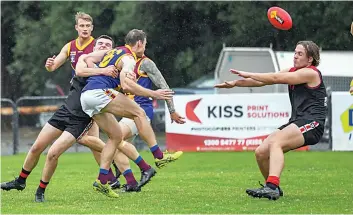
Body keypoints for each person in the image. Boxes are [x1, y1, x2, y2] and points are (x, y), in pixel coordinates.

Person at [0, 35, 121, 202]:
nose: (102, 46)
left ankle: (40, 192)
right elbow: (79, 71)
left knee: (53, 153)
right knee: (36, 147)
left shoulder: (112, 70)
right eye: (100, 43)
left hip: (80, 120)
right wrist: (51, 66)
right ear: (94, 47)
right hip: (64, 111)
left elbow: (116, 90)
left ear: (112, 51)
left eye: (107, 45)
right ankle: (20, 181)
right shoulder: (84, 60)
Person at [215, 41, 327, 200]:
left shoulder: (311, 73)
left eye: (300, 54)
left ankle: (272, 186)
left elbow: (275, 78)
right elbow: (264, 80)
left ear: (310, 59)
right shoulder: (292, 71)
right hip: (297, 121)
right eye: (295, 52)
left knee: (277, 142)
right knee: (260, 153)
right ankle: (273, 187)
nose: (295, 56)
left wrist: (248, 73)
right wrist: (236, 83)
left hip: (313, 123)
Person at [78, 29, 178, 198]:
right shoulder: (129, 58)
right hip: (100, 92)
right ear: (139, 43)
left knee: (116, 137)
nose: (144, 48)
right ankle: (158, 156)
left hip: (86, 97)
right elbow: (126, 86)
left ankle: (103, 180)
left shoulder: (114, 51)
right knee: (138, 112)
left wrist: (100, 69)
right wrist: (154, 94)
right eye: (145, 44)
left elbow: (87, 58)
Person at [108, 54, 186, 188]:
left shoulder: (145, 63)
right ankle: (131, 183)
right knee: (117, 147)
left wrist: (172, 111)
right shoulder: (121, 63)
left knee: (114, 139)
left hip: (140, 111)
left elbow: (164, 86)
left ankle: (147, 166)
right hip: (128, 111)